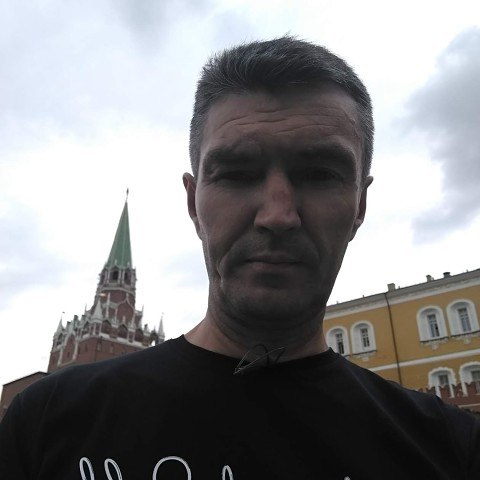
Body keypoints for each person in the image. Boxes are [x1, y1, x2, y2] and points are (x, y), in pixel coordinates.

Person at [1, 36, 479, 480]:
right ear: (193, 204)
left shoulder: (455, 452)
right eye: (235, 173)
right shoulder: (43, 424)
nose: (278, 215)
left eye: (319, 173)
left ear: (360, 205)